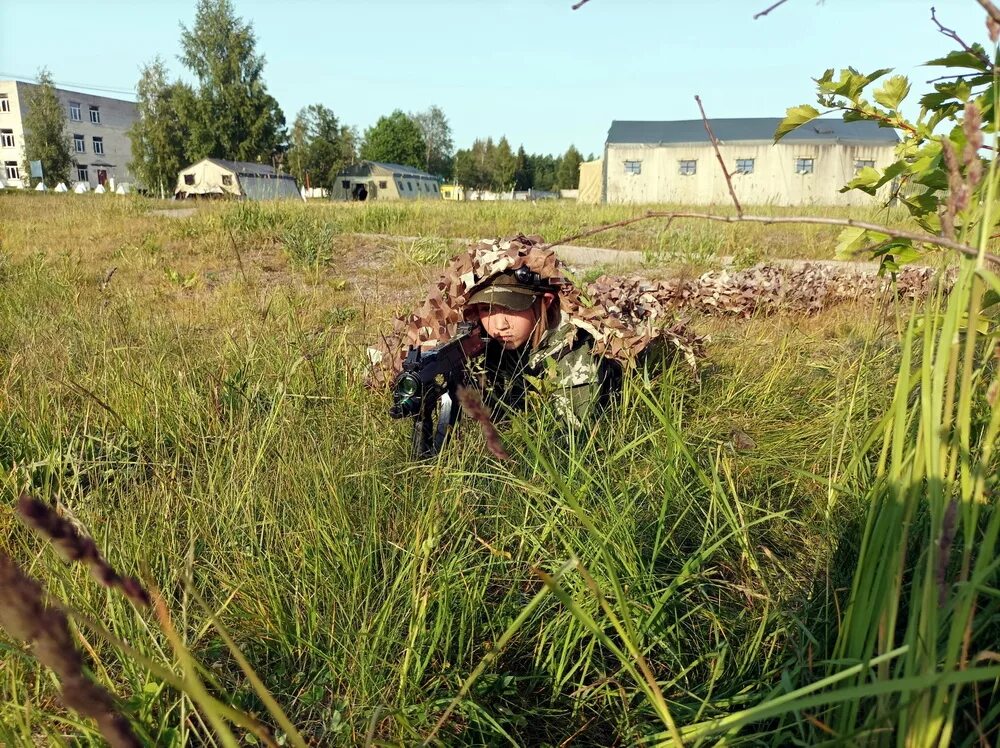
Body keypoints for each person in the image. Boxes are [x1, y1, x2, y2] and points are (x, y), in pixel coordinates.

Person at [463, 268, 621, 424]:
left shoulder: (574, 354)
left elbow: (568, 438)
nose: (499, 325)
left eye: (510, 308)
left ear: (545, 301)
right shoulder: (494, 340)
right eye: (486, 309)